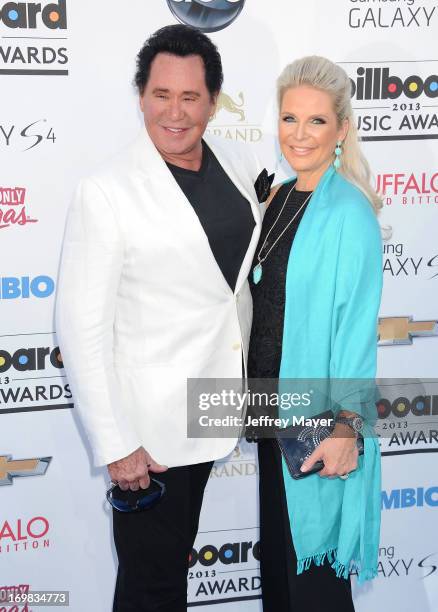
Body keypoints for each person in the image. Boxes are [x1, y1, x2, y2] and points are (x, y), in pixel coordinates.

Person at [55, 24, 262, 612]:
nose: (174, 112)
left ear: (213, 103)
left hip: (215, 402)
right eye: (160, 95)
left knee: (172, 573)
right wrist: (117, 443)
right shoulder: (107, 190)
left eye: (190, 97)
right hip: (149, 435)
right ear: (140, 95)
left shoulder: (235, 158)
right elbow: (81, 328)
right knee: (152, 587)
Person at [247, 56, 383, 611]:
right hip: (268, 414)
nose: (298, 135)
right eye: (288, 119)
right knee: (281, 581)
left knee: (315, 588)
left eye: (316, 121)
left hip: (317, 427)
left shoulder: (349, 212)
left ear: (341, 129)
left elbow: (356, 333)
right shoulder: (277, 198)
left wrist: (348, 428)